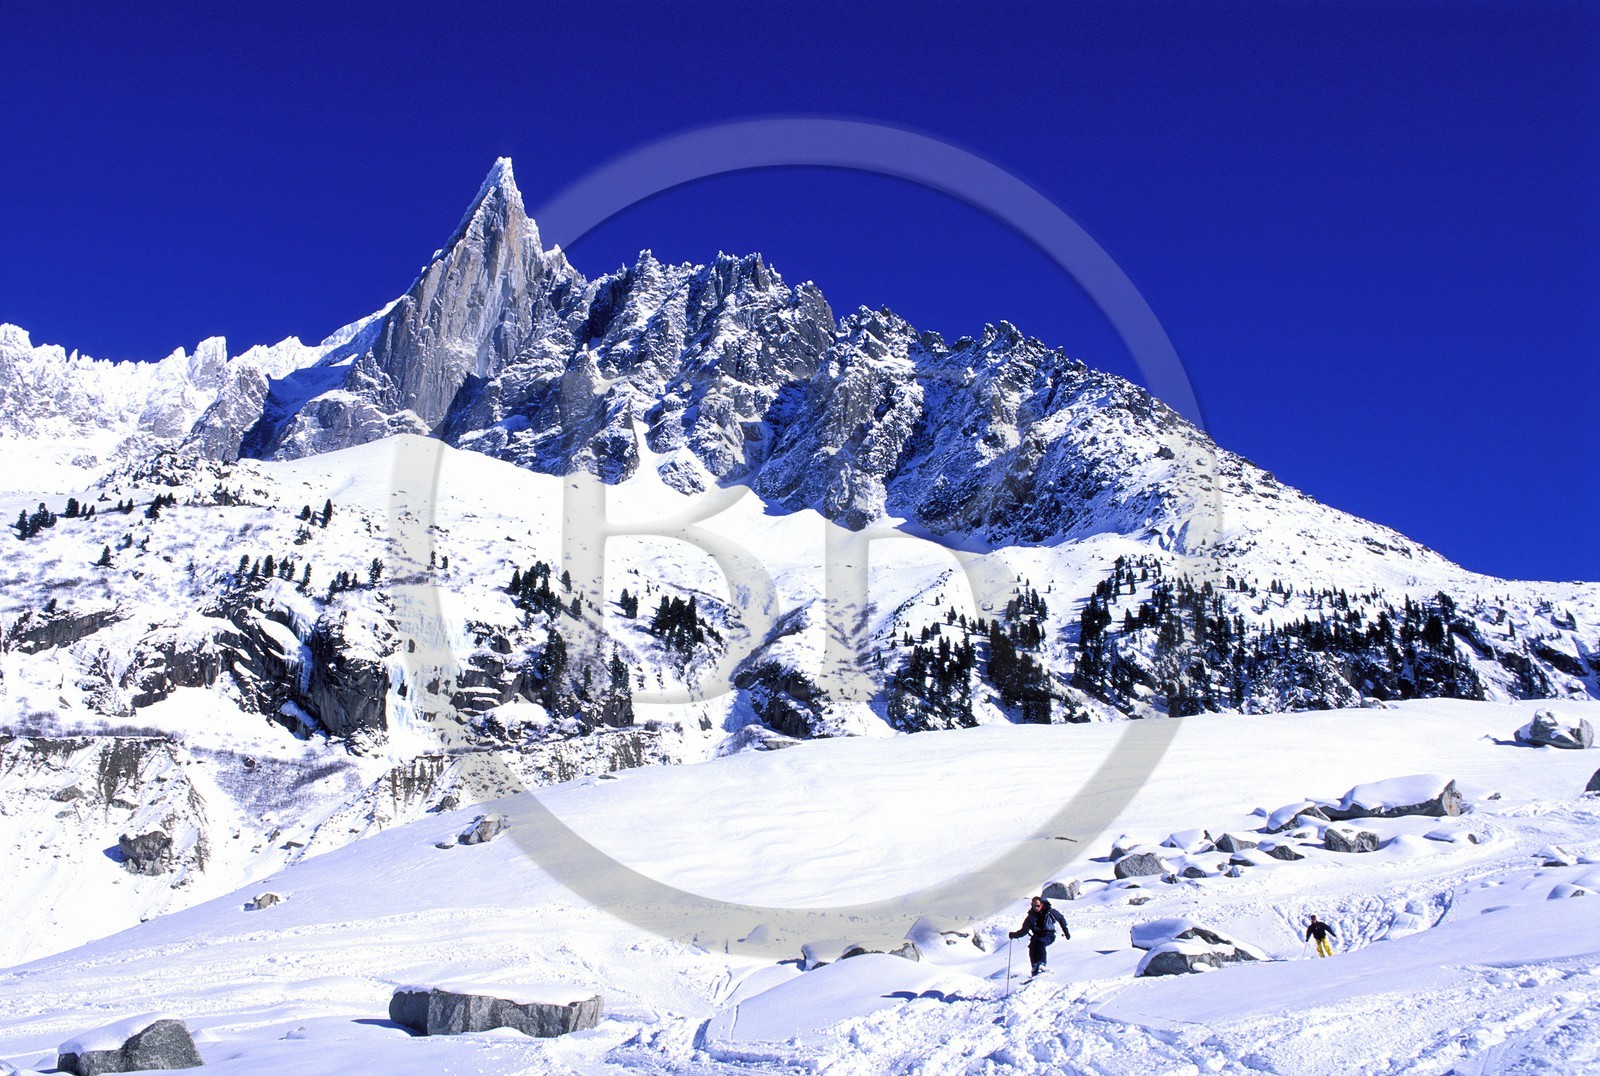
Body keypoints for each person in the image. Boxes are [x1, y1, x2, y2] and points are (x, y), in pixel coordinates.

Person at [1009, 895, 1070, 976]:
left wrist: (1066, 931)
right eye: (1034, 906)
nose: (1036, 908)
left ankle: (1041, 965)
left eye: (1038, 906)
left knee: (1040, 942)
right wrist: (1014, 935)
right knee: (1033, 945)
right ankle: (1034, 966)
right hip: (1037, 936)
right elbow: (1024, 930)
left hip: (1049, 935)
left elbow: (1061, 919)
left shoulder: (1050, 912)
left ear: (1042, 904)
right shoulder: (1031, 917)